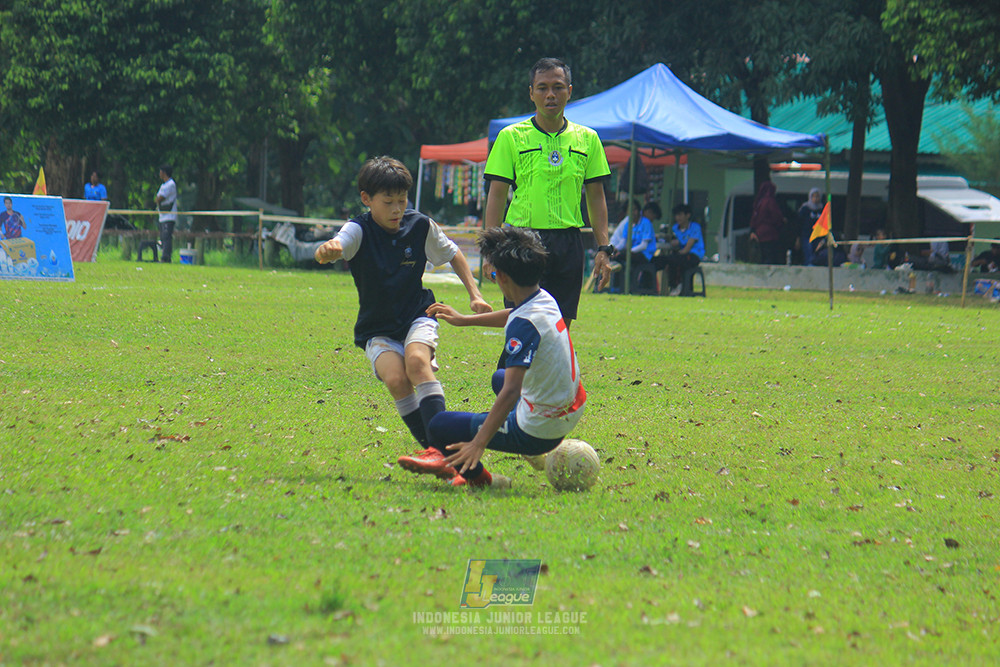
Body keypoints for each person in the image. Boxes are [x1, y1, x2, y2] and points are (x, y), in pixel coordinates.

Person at [313, 156, 492, 476]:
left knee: (416, 363)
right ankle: (448, 461)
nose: (397, 209)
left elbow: (452, 253)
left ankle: (437, 454)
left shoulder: (420, 225)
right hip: (376, 327)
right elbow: (342, 242)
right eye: (388, 202)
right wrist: (331, 249)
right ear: (367, 199)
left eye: (402, 200)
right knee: (396, 380)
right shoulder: (359, 229)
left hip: (417, 315)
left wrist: (474, 294)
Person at [400, 227, 586, 488]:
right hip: (572, 406)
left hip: (540, 430)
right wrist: (465, 320)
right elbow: (515, 314)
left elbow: (511, 392)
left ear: (505, 278)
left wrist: (479, 443)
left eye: (494, 274)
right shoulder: (543, 298)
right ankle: (526, 444)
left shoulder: (524, 327)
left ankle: (485, 480)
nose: (493, 277)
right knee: (498, 377)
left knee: (440, 425)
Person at [483, 57, 613, 325]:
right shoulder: (510, 137)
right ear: (531, 93)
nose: (550, 95)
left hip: (569, 243)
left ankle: (552, 369)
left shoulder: (588, 139)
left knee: (560, 325)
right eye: (542, 88)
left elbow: (596, 197)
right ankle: (508, 370)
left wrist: (603, 247)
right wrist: (490, 250)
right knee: (524, 320)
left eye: (558, 87)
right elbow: (496, 195)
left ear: (570, 91)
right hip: (521, 241)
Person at [661, 203, 705, 296]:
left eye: (680, 214)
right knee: (668, 260)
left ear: (687, 215)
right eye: (676, 215)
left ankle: (679, 286)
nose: (677, 218)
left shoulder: (695, 227)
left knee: (675, 260)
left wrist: (678, 251)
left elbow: (687, 248)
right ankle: (674, 286)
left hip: (693, 254)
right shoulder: (674, 228)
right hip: (681, 254)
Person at [749, 181, 785, 264]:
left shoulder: (759, 202)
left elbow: (754, 218)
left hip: (759, 233)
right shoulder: (770, 201)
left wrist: (753, 231)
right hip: (770, 233)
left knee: (763, 254)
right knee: (770, 255)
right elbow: (776, 216)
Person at [155, 165, 178, 263]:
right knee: (163, 237)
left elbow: (160, 198)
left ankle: (166, 257)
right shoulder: (163, 185)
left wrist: (158, 199)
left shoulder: (171, 184)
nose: (159, 174)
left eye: (160, 171)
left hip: (169, 216)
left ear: (164, 172)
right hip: (162, 216)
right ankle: (164, 256)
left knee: (167, 237)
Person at [796, 188, 823, 266]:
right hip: (807, 235)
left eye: (817, 196)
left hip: (818, 236)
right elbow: (799, 224)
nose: (815, 199)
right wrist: (798, 237)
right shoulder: (805, 209)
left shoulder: (822, 209)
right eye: (813, 197)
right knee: (808, 253)